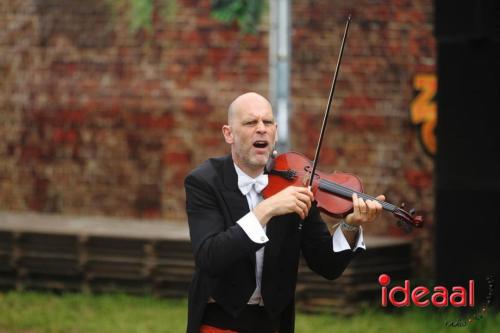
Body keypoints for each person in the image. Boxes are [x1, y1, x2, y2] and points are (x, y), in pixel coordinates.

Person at [184, 92, 385, 333]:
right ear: (229, 133)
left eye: (267, 122)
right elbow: (209, 257)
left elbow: (327, 266)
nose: (261, 129)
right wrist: (266, 210)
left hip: (274, 325)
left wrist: (351, 225)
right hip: (218, 323)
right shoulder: (205, 182)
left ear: (276, 132)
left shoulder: (297, 183)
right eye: (250, 123)